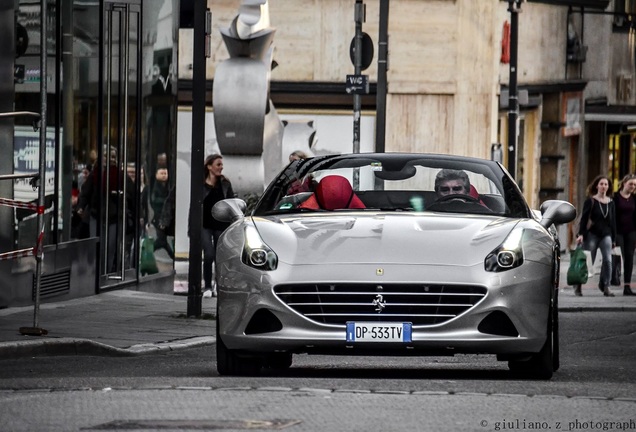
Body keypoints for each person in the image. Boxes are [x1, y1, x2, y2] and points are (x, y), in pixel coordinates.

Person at [199, 154, 235, 297]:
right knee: (208, 255)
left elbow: (232, 203)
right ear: (209, 166)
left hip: (221, 225)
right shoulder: (200, 184)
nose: (221, 167)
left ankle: (218, 286)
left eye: (221, 165)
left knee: (220, 257)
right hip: (205, 225)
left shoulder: (225, 184)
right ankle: (207, 286)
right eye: (218, 164)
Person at [575, 175, 617, 297]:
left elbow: (613, 222)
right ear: (597, 186)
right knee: (588, 261)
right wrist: (581, 234)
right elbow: (584, 219)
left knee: (608, 260)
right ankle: (578, 285)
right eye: (601, 184)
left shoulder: (611, 203)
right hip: (592, 235)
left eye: (606, 184)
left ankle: (606, 286)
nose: (604, 186)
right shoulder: (591, 201)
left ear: (608, 187)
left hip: (606, 235)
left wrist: (614, 239)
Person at [613, 174, 636, 296]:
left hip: (631, 232)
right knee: (616, 257)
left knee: (629, 258)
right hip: (618, 232)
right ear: (624, 184)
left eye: (635, 184)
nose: (633, 186)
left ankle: (627, 287)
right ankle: (611, 282)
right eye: (631, 184)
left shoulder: (634, 198)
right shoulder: (615, 198)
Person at [149, 166, 175, 260]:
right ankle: (148, 252)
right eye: (162, 173)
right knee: (161, 240)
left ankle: (149, 253)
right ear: (156, 175)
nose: (164, 176)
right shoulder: (153, 187)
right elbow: (153, 200)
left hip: (166, 217)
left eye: (165, 173)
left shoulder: (169, 186)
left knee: (162, 240)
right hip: (158, 217)